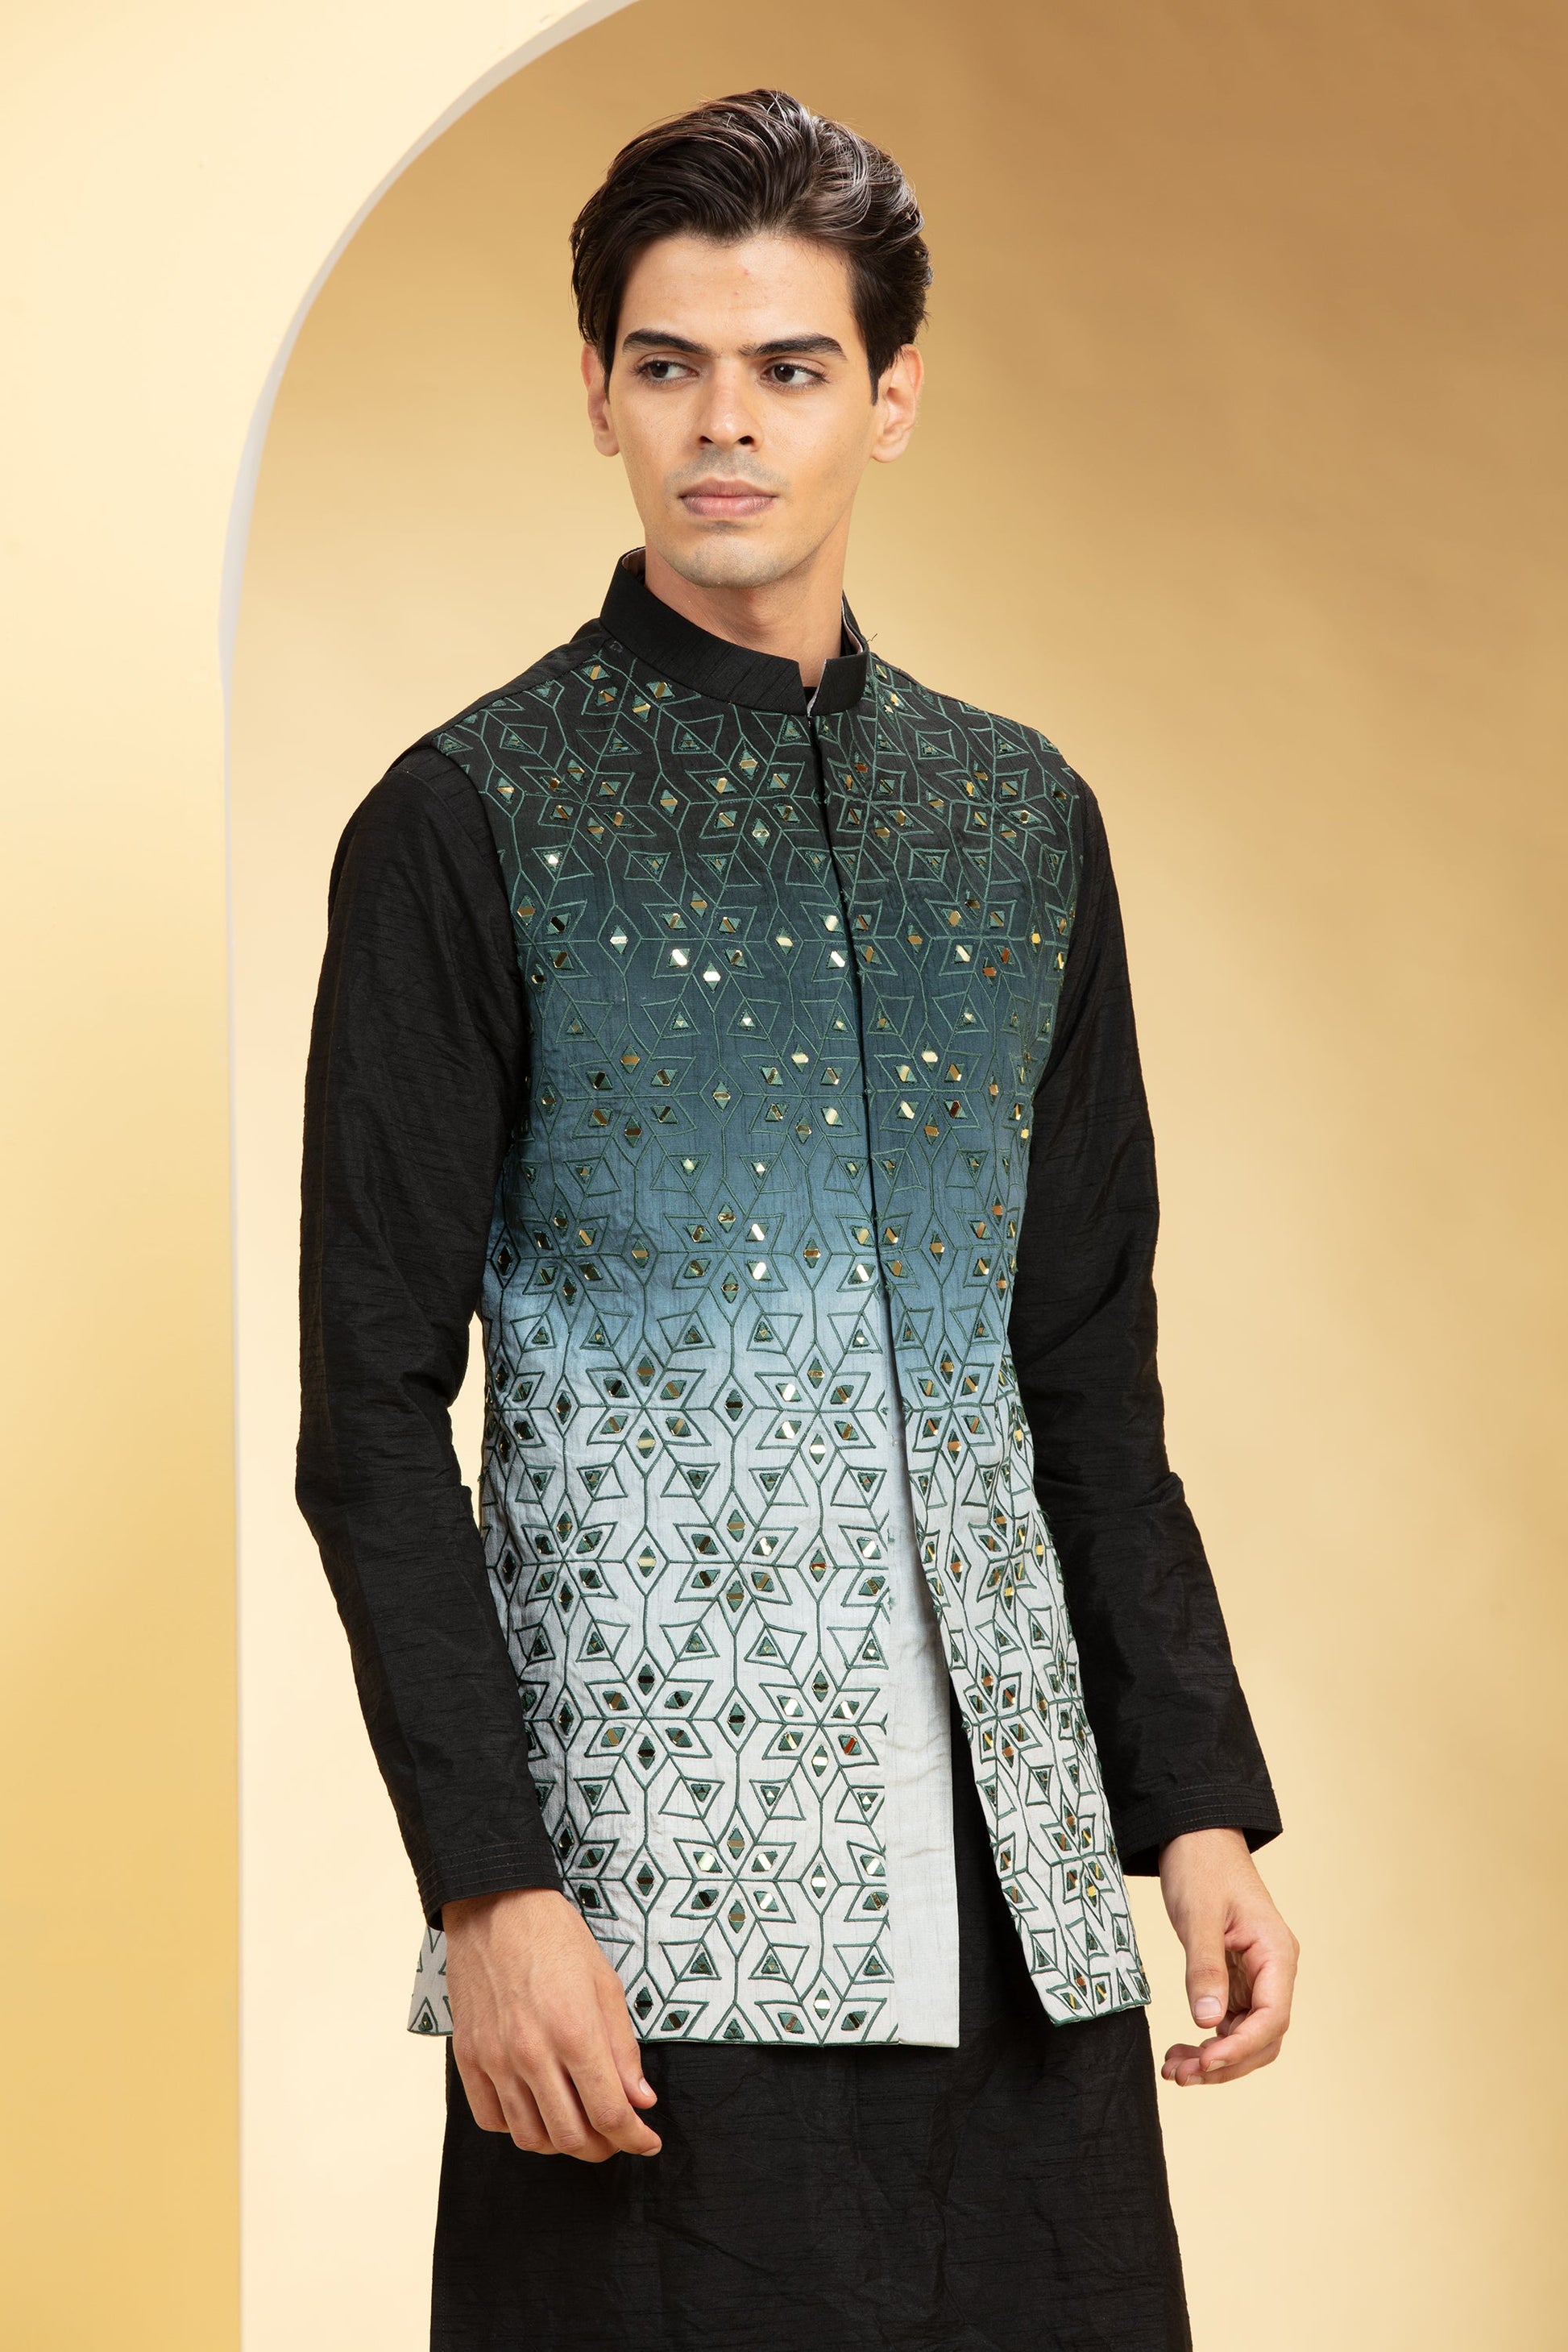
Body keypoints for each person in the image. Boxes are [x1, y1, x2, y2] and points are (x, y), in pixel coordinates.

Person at [297, 86, 1297, 2352]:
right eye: (668, 366)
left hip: (1021, 1929)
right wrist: (488, 1890)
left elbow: (1081, 1368)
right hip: (658, 1938)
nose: (723, 426)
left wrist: (1194, 1814)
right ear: (597, 393)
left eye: (788, 367)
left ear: (891, 396)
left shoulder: (1018, 820)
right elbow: (367, 1408)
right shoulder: (468, 821)